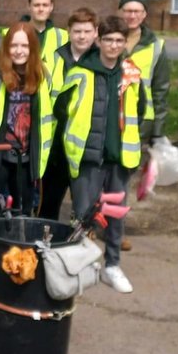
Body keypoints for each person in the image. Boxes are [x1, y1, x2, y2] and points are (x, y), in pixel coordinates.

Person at [56, 16, 148, 294]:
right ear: (99, 40)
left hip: (119, 158)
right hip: (87, 157)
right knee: (83, 214)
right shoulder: (81, 71)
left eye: (119, 40)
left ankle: (112, 265)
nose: (113, 45)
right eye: (108, 39)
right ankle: (79, 266)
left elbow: (140, 109)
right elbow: (62, 108)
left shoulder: (131, 74)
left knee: (116, 215)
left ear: (124, 43)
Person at [0, 22, 54, 217]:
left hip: (27, 157)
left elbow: (46, 118)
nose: (19, 51)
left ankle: (16, 247)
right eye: (14, 45)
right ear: (6, 47)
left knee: (22, 214)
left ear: (32, 48)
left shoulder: (42, 76)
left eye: (24, 46)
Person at [118, 0, 171, 252]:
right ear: (120, 12)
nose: (132, 15)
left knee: (123, 178)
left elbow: (161, 90)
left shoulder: (156, 46)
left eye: (137, 11)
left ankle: (116, 229)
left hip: (140, 121)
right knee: (99, 174)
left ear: (144, 15)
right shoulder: (109, 37)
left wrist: (158, 131)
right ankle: (91, 224)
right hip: (109, 116)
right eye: (127, 10)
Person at [38, 7, 98, 221]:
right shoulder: (54, 59)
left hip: (86, 147)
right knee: (47, 208)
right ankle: (46, 251)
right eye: (77, 31)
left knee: (84, 211)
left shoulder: (101, 62)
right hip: (56, 145)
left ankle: (79, 252)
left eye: (86, 31)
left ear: (95, 33)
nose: (82, 36)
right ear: (69, 32)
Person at [18, 0, 69, 74]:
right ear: (29, 6)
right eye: (36, 5)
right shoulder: (13, 33)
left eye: (45, 5)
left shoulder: (63, 36)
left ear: (51, 7)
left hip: (53, 87)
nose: (41, 9)